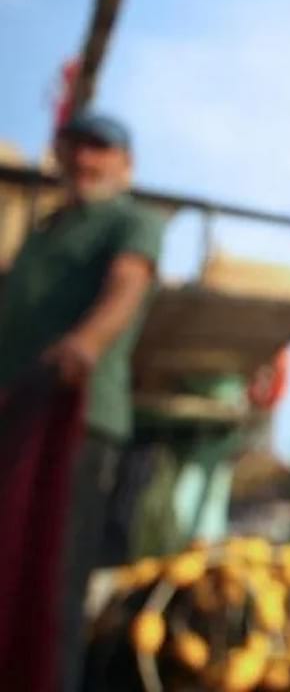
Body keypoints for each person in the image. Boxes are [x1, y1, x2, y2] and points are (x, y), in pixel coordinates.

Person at [0, 111, 165, 691]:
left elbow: (126, 287)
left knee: (52, 588)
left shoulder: (130, 221)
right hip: (16, 418)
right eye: (75, 147)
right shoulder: (44, 232)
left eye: (100, 149)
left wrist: (83, 345)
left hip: (79, 422)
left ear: (126, 164)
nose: (85, 160)